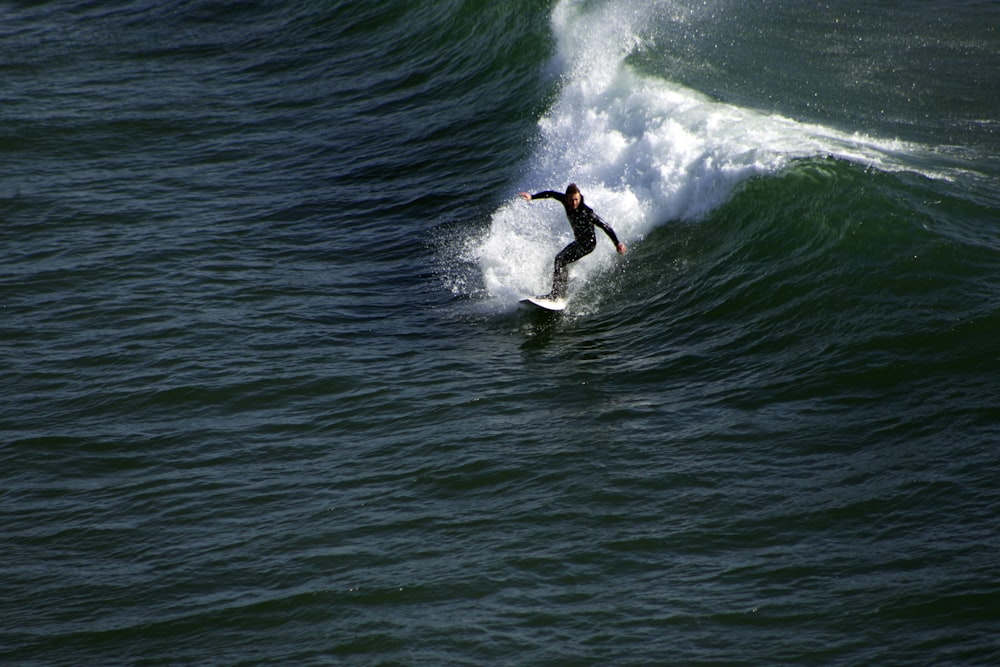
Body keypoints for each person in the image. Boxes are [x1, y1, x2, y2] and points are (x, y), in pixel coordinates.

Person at [518, 183, 627, 300]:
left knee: (560, 259)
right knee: (561, 261)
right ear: (567, 198)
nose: (574, 203)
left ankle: (557, 294)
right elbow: (551, 194)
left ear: (580, 197)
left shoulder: (586, 212)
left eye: (576, 199)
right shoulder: (565, 201)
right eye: (571, 199)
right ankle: (559, 293)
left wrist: (617, 243)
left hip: (588, 244)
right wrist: (532, 197)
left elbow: (605, 226)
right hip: (578, 241)